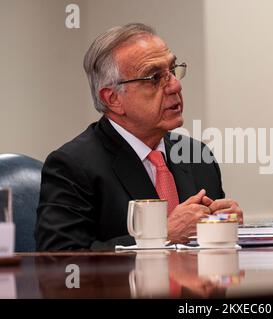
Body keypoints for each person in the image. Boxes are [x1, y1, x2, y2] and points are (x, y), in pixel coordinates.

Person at [35, 23, 243, 251]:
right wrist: (161, 236)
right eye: (154, 78)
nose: (175, 85)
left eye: (172, 70)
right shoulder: (72, 166)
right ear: (113, 98)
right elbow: (60, 262)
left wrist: (229, 229)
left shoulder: (197, 156)